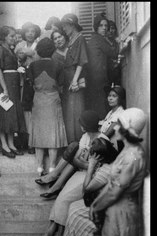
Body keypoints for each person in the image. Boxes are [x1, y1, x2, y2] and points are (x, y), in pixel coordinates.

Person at [31, 111, 109, 236]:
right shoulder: (85, 137)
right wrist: (86, 162)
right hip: (82, 173)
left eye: (82, 124)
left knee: (65, 199)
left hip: (93, 177)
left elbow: (96, 166)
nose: (80, 126)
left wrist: (85, 162)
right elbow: (76, 160)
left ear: (87, 125)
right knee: (62, 198)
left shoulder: (102, 139)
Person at [89, 108, 147, 236]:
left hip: (123, 214)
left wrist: (96, 207)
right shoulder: (127, 151)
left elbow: (115, 192)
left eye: (118, 125)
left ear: (127, 130)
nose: (114, 128)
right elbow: (111, 184)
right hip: (114, 211)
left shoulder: (133, 157)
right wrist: (97, 204)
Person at [61, 138, 118, 236]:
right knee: (73, 206)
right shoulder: (111, 161)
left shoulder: (107, 170)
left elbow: (85, 190)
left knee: (76, 214)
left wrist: (91, 166)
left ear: (99, 157)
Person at [28, 37, 68, 175]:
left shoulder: (33, 65)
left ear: (38, 50)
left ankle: (39, 167)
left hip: (38, 99)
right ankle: (52, 167)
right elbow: (61, 84)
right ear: (52, 50)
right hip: (53, 99)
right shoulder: (58, 65)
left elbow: (30, 84)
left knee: (39, 133)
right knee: (53, 133)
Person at [0, 26, 26, 158]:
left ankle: (11, 144)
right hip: (5, 85)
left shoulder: (10, 50)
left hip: (13, 85)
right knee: (3, 113)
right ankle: (4, 146)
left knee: (12, 114)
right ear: (4, 37)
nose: (14, 38)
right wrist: (5, 89)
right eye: (11, 36)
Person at [60, 13, 89, 144]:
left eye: (65, 26)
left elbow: (81, 62)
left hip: (74, 77)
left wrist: (75, 80)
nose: (64, 29)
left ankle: (77, 142)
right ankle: (71, 142)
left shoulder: (80, 38)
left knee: (75, 110)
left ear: (72, 25)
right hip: (68, 77)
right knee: (69, 111)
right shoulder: (71, 40)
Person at [14, 22, 41, 154]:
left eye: (33, 31)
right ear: (24, 33)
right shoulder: (19, 45)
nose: (30, 33)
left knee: (34, 111)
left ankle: (34, 142)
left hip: (35, 81)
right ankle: (24, 141)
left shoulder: (39, 44)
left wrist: (31, 53)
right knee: (23, 111)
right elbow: (16, 60)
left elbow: (40, 60)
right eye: (28, 31)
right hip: (21, 81)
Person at [86, 13, 119, 120]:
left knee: (98, 105)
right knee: (101, 106)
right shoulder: (98, 39)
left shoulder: (95, 39)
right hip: (98, 78)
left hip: (95, 78)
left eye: (106, 26)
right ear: (96, 27)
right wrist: (120, 41)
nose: (104, 28)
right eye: (101, 26)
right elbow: (113, 52)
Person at [99, 84, 126, 151]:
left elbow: (107, 135)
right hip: (104, 143)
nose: (110, 98)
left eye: (114, 96)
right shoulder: (111, 112)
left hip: (112, 147)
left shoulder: (121, 113)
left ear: (120, 98)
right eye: (109, 95)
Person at [107, 20, 122, 85]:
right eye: (108, 29)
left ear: (115, 30)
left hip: (116, 71)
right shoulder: (103, 43)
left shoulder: (117, 42)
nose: (110, 31)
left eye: (112, 28)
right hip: (106, 72)